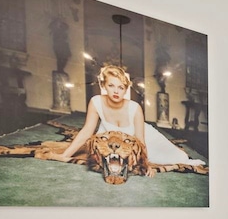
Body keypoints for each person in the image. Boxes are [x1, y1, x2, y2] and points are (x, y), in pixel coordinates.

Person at [47, 65, 200, 172]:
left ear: (125, 90)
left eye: (121, 87)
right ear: (104, 85)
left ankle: (179, 153)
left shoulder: (134, 108)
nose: (116, 91)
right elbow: (87, 131)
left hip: (139, 139)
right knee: (100, 156)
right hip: (110, 139)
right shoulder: (96, 102)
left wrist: (145, 163)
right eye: (112, 85)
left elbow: (140, 140)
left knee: (178, 158)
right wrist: (64, 155)